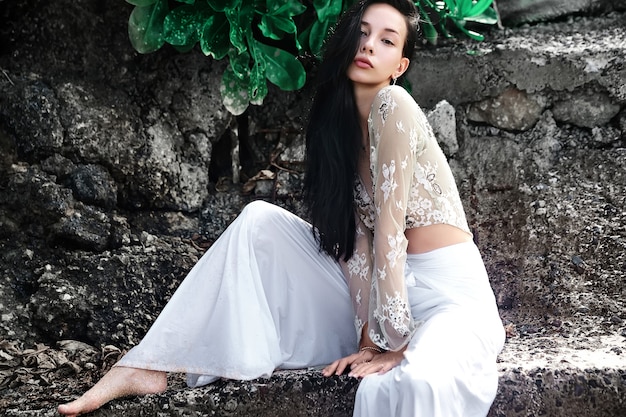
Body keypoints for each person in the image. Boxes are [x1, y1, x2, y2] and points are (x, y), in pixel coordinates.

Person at [58, 0, 505, 416]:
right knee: (259, 221)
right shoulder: (339, 128)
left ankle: (407, 347)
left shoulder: (395, 105)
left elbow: (390, 232)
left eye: (387, 40)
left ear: (399, 66)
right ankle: (151, 364)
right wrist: (367, 341)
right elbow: (357, 248)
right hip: (385, 296)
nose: (369, 44)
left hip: (448, 302)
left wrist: (392, 343)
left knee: (415, 382)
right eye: (363, 32)